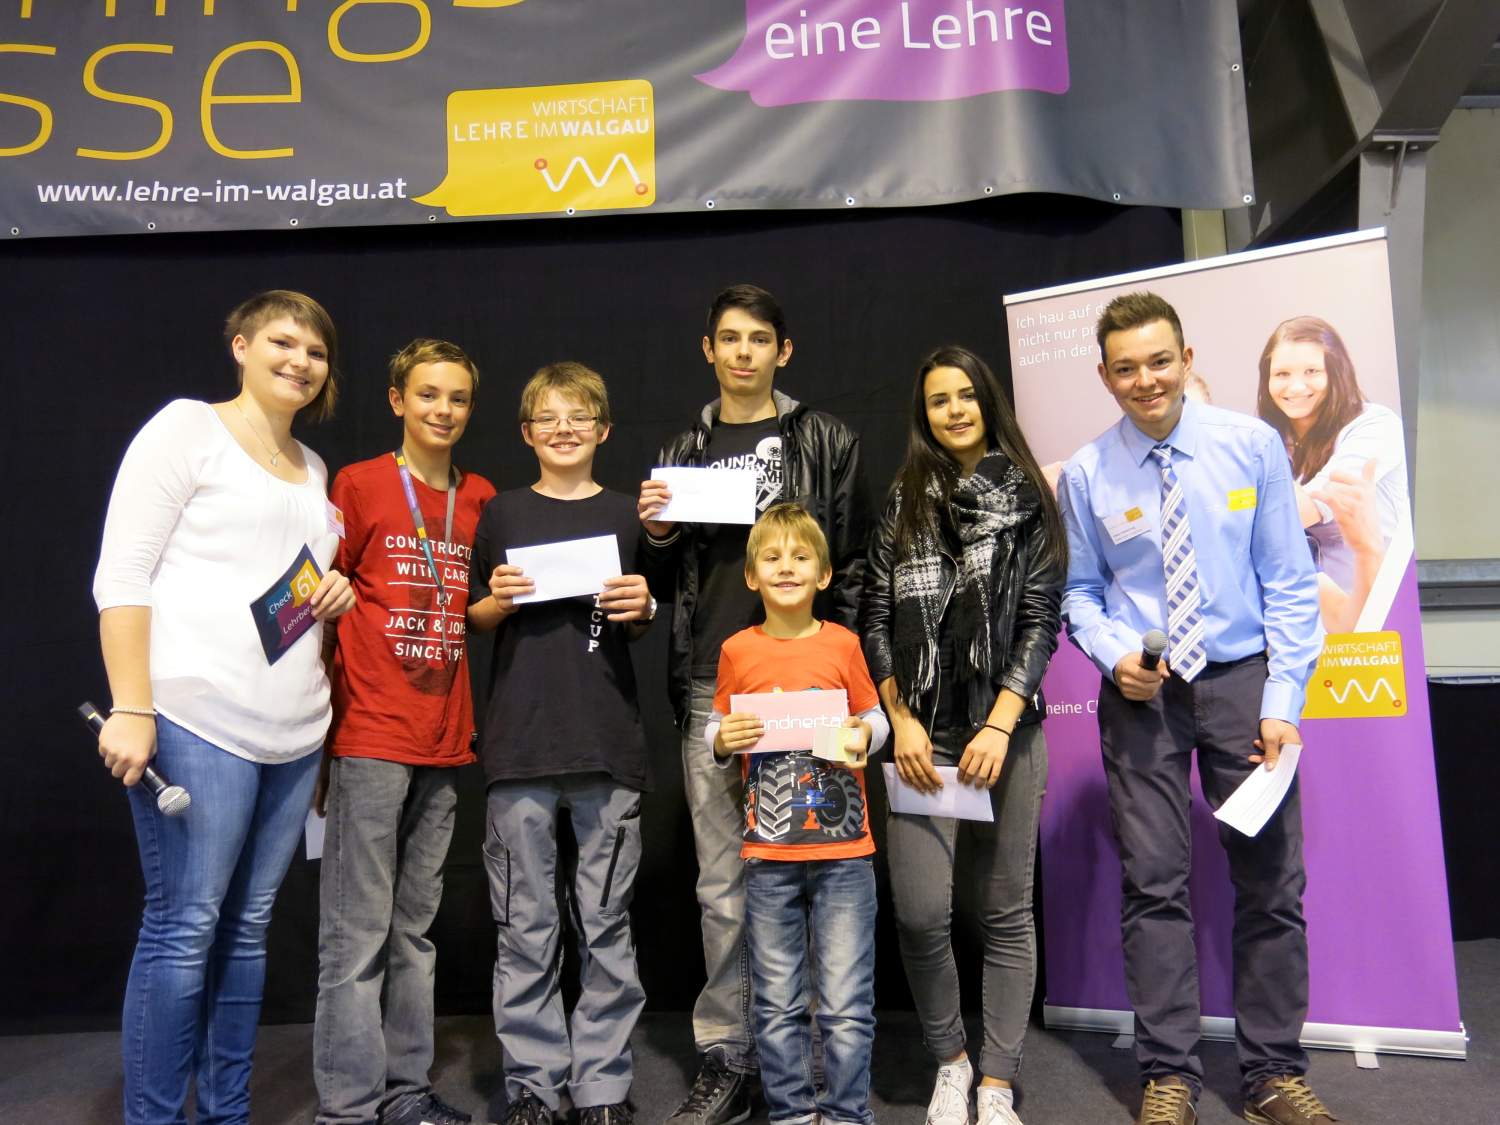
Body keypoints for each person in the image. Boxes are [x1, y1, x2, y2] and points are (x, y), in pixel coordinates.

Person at [1057, 292, 1336, 1125]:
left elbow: (1289, 583)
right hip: (1142, 696)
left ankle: (1272, 1074)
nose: (1145, 379)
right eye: (1126, 367)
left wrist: (1283, 700)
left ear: (1186, 358)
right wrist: (1114, 655)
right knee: (1154, 886)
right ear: (1104, 375)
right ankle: (1169, 1075)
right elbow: (1078, 594)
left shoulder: (1250, 445)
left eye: (1159, 360)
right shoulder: (1087, 473)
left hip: (1244, 684)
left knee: (1272, 882)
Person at [92, 290, 356, 1125]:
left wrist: (333, 592)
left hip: (294, 732)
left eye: (315, 351)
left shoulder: (314, 469)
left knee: (247, 931)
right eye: (282, 341)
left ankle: (226, 1113)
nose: (300, 361)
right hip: (196, 720)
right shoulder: (186, 429)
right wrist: (132, 707)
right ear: (240, 345)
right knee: (184, 928)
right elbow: (121, 576)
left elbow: (284, 599)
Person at [637, 284, 871, 1125]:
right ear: (709, 350)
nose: (743, 352)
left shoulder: (827, 439)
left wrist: (846, 682)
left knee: (814, 868)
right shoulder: (682, 449)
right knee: (723, 885)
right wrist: (655, 533)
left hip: (810, 686)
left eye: (759, 338)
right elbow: (655, 583)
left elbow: (855, 564)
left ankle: (807, 1065)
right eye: (729, 338)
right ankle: (730, 1056)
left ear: (783, 350)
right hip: (717, 681)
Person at [860, 346, 1065, 1125]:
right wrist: (900, 718)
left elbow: (1041, 619)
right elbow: (875, 615)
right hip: (923, 735)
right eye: (938, 399)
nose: (953, 410)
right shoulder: (905, 498)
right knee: (919, 913)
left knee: (1006, 911)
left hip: (1006, 731)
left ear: (988, 401)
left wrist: (1001, 720)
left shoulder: (1028, 496)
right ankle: (951, 1061)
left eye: (965, 395)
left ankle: (997, 1082)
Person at [313, 339, 496, 1125]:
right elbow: (317, 588)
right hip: (370, 728)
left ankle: (406, 1093)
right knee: (355, 935)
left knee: (414, 931)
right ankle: (347, 1108)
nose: (442, 410)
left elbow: (475, 608)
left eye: (457, 398)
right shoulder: (357, 485)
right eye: (427, 394)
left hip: (444, 734)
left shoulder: (480, 495)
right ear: (397, 400)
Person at [468, 362, 656, 1125]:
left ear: (603, 428)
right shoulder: (502, 512)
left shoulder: (629, 514)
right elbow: (474, 615)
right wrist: (496, 599)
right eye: (548, 417)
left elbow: (643, 616)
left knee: (606, 922)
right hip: (519, 746)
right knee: (525, 924)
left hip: (607, 743)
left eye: (579, 415)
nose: (564, 428)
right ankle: (534, 1085)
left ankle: (603, 1085)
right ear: (527, 432)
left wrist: (643, 605)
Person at [708, 502, 889, 1125]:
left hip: (845, 855)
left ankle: (845, 1114)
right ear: (751, 576)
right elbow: (717, 725)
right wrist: (721, 739)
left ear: (825, 574)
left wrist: (867, 734)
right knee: (777, 1004)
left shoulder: (843, 643)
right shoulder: (737, 651)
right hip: (769, 856)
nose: (786, 567)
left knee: (846, 1005)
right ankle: (790, 1114)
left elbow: (874, 717)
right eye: (772, 557)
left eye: (801, 556)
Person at [1257, 315, 1409, 633]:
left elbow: (1311, 506)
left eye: (1311, 371)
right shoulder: (1269, 440)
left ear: (1336, 372)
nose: (1296, 386)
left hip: (1381, 617)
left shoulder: (1375, 425)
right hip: (1310, 626)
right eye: (1282, 374)